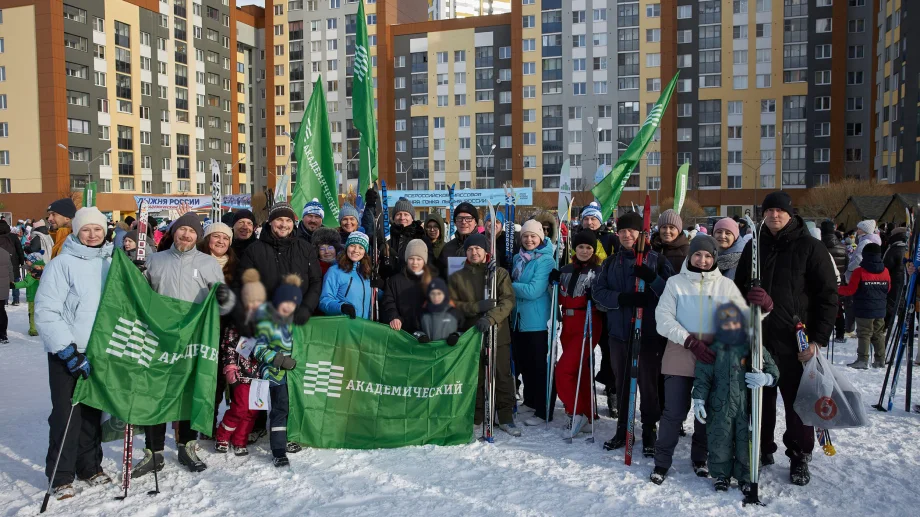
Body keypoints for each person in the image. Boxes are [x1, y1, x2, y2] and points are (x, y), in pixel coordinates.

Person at [733, 191, 838, 486]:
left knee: (797, 404)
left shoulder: (811, 247)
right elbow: (738, 289)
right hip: (760, 339)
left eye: (780, 211)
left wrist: (817, 340)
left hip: (796, 342)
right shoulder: (754, 246)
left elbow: (829, 296)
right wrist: (745, 304)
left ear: (791, 214)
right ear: (763, 214)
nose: (774, 215)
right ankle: (762, 447)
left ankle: (799, 455)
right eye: (769, 211)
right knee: (759, 398)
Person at [652, 235, 766, 484]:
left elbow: (741, 322)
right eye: (697, 254)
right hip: (681, 351)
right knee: (674, 412)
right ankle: (662, 461)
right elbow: (663, 319)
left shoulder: (724, 285)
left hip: (716, 356)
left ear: (714, 258)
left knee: (708, 413)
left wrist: (764, 309)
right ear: (690, 256)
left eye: (708, 256)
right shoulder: (675, 284)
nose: (702, 260)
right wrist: (690, 341)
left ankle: (700, 458)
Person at [133, 212, 236, 478]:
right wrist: (136, 275)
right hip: (159, 338)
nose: (187, 235)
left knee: (189, 391)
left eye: (192, 232)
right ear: (174, 232)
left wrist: (225, 298)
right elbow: (140, 297)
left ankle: (186, 446)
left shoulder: (208, 263)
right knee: (155, 393)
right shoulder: (155, 260)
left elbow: (224, 305)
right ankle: (153, 451)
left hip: (193, 339)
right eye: (182, 230)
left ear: (197, 237)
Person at [34, 207, 114, 500]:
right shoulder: (62, 264)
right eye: (86, 230)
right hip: (68, 351)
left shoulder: (111, 263)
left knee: (93, 413)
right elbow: (46, 311)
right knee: (67, 414)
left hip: (99, 349)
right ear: (77, 232)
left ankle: (90, 467)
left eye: (98, 229)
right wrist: (67, 351)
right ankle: (61, 475)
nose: (92, 235)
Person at [593, 210, 674, 455]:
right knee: (623, 382)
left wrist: (652, 280)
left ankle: (649, 429)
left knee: (648, 384)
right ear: (616, 234)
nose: (627, 235)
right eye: (622, 231)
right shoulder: (610, 262)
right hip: (619, 334)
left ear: (641, 233)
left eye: (631, 231)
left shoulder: (657, 261)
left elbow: (671, 293)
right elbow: (598, 294)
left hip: (648, 334)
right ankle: (623, 429)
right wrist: (623, 298)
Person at [691, 302, 780, 493]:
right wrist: (698, 399)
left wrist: (766, 377)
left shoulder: (752, 348)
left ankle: (746, 476)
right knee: (719, 440)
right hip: (719, 405)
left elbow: (773, 369)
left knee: (745, 441)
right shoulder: (711, 349)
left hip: (746, 405)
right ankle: (721, 475)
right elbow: (703, 377)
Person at [448, 233, 519, 437]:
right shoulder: (458, 276)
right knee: (476, 376)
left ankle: (505, 416)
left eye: (478, 248)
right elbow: (452, 304)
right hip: (472, 335)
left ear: (486, 251)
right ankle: (477, 416)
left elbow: (508, 301)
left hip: (498, 333)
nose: (474, 252)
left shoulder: (499, 273)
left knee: (502, 375)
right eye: (470, 249)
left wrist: (491, 318)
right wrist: (476, 307)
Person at [236, 202, 322, 327]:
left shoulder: (305, 248)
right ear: (270, 221)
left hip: (299, 319)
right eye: (279, 219)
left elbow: (316, 281)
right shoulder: (254, 250)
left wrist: (306, 308)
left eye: (288, 220)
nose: (284, 225)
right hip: (265, 321)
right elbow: (242, 283)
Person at [555, 229, 603, 438]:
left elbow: (604, 299)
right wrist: (553, 283)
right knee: (579, 371)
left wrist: (597, 295)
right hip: (568, 323)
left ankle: (575, 411)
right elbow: (558, 298)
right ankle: (587, 413)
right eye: (581, 247)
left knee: (563, 371)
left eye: (588, 247)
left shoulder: (598, 271)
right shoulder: (565, 269)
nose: (584, 251)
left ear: (594, 250)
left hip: (588, 322)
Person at [253, 274, 304, 467]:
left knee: (292, 406)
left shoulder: (297, 325)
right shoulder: (268, 322)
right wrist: (279, 360)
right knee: (280, 408)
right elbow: (258, 349)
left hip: (293, 376)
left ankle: (287, 438)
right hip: (275, 374)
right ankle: (278, 449)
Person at [509, 218, 556, 426]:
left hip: (537, 320)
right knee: (525, 363)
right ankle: (530, 400)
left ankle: (544, 408)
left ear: (541, 237)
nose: (529, 239)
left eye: (533, 236)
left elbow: (534, 290)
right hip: (519, 319)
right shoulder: (519, 259)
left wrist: (508, 286)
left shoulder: (546, 260)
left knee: (539, 366)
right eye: (526, 236)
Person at [215, 268, 266, 456]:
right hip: (241, 374)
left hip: (260, 376)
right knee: (240, 407)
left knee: (253, 411)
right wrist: (230, 367)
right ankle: (223, 435)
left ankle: (240, 439)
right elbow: (228, 346)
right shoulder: (236, 323)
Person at [838, 243, 890, 369]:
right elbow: (888, 288)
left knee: (864, 333)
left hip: (864, 308)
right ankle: (880, 359)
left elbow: (851, 290)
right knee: (878, 333)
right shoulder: (885, 270)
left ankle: (862, 359)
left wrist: (836, 289)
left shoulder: (859, 271)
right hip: (880, 308)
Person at [382, 239, 435, 337]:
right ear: (406, 259)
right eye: (411, 258)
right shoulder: (394, 281)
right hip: (400, 333)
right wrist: (394, 317)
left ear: (424, 261)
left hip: (425, 334)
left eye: (419, 259)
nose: (415, 262)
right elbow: (388, 301)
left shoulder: (432, 282)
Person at [320, 231, 373, 319]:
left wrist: (381, 287)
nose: (356, 250)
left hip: (363, 326)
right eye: (352, 245)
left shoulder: (366, 274)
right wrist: (341, 307)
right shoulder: (334, 271)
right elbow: (324, 301)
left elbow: (372, 298)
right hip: (343, 326)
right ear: (346, 247)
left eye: (360, 247)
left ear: (365, 252)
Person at [381, 198, 433, 279]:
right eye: (398, 214)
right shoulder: (386, 237)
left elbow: (429, 264)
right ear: (393, 218)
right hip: (390, 284)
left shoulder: (421, 237)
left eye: (406, 214)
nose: (402, 218)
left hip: (413, 284)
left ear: (412, 218)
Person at [820, 220, 848, 343]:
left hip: (822, 282)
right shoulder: (842, 247)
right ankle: (840, 333)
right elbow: (846, 265)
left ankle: (823, 332)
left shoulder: (819, 246)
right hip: (838, 282)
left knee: (822, 308)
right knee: (837, 309)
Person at [437, 202, 479, 278]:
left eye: (468, 219)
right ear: (455, 222)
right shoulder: (447, 248)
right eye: (459, 218)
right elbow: (439, 276)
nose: (463, 222)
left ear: (475, 222)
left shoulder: (484, 246)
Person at [419, 277, 462, 344]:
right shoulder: (422, 313)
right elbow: (414, 330)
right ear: (428, 294)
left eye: (439, 293)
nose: (436, 297)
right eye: (432, 293)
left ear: (444, 294)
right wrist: (421, 336)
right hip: (428, 352)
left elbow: (465, 331)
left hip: (450, 352)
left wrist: (456, 335)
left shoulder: (454, 312)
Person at [883, 227, 908, 329]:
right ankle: (903, 325)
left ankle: (886, 325)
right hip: (904, 280)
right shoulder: (907, 248)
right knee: (901, 304)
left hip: (894, 280)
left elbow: (887, 266)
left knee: (891, 304)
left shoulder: (895, 248)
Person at [14, 258, 44, 336]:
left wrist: (14, 285)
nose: (26, 262)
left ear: (33, 261)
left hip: (33, 296)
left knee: (32, 313)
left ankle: (33, 330)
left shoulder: (33, 271)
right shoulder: (46, 269)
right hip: (44, 296)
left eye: (28, 260)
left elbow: (27, 283)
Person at [0, 219, 25, 306]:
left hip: (2, 262)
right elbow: (19, 250)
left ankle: (4, 300)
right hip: (14, 261)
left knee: (2, 281)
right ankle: (16, 299)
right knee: (15, 279)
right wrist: (22, 262)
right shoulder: (13, 237)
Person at [0, 246, 10, 342]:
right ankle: (3, 333)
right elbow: (10, 270)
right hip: (3, 287)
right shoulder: (5, 253)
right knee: (1, 310)